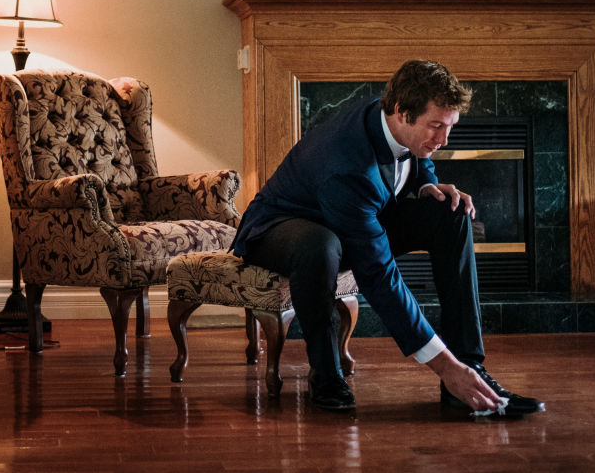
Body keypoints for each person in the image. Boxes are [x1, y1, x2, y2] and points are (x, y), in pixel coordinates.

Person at [230, 59, 544, 417]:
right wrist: (440, 364)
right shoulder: (349, 166)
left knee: (451, 215)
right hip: (279, 227)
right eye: (436, 126)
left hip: (351, 218)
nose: (443, 140)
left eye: (450, 126)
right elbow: (378, 274)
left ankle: (468, 369)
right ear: (401, 113)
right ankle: (326, 373)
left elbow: (416, 153)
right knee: (320, 245)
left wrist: (427, 183)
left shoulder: (392, 115)